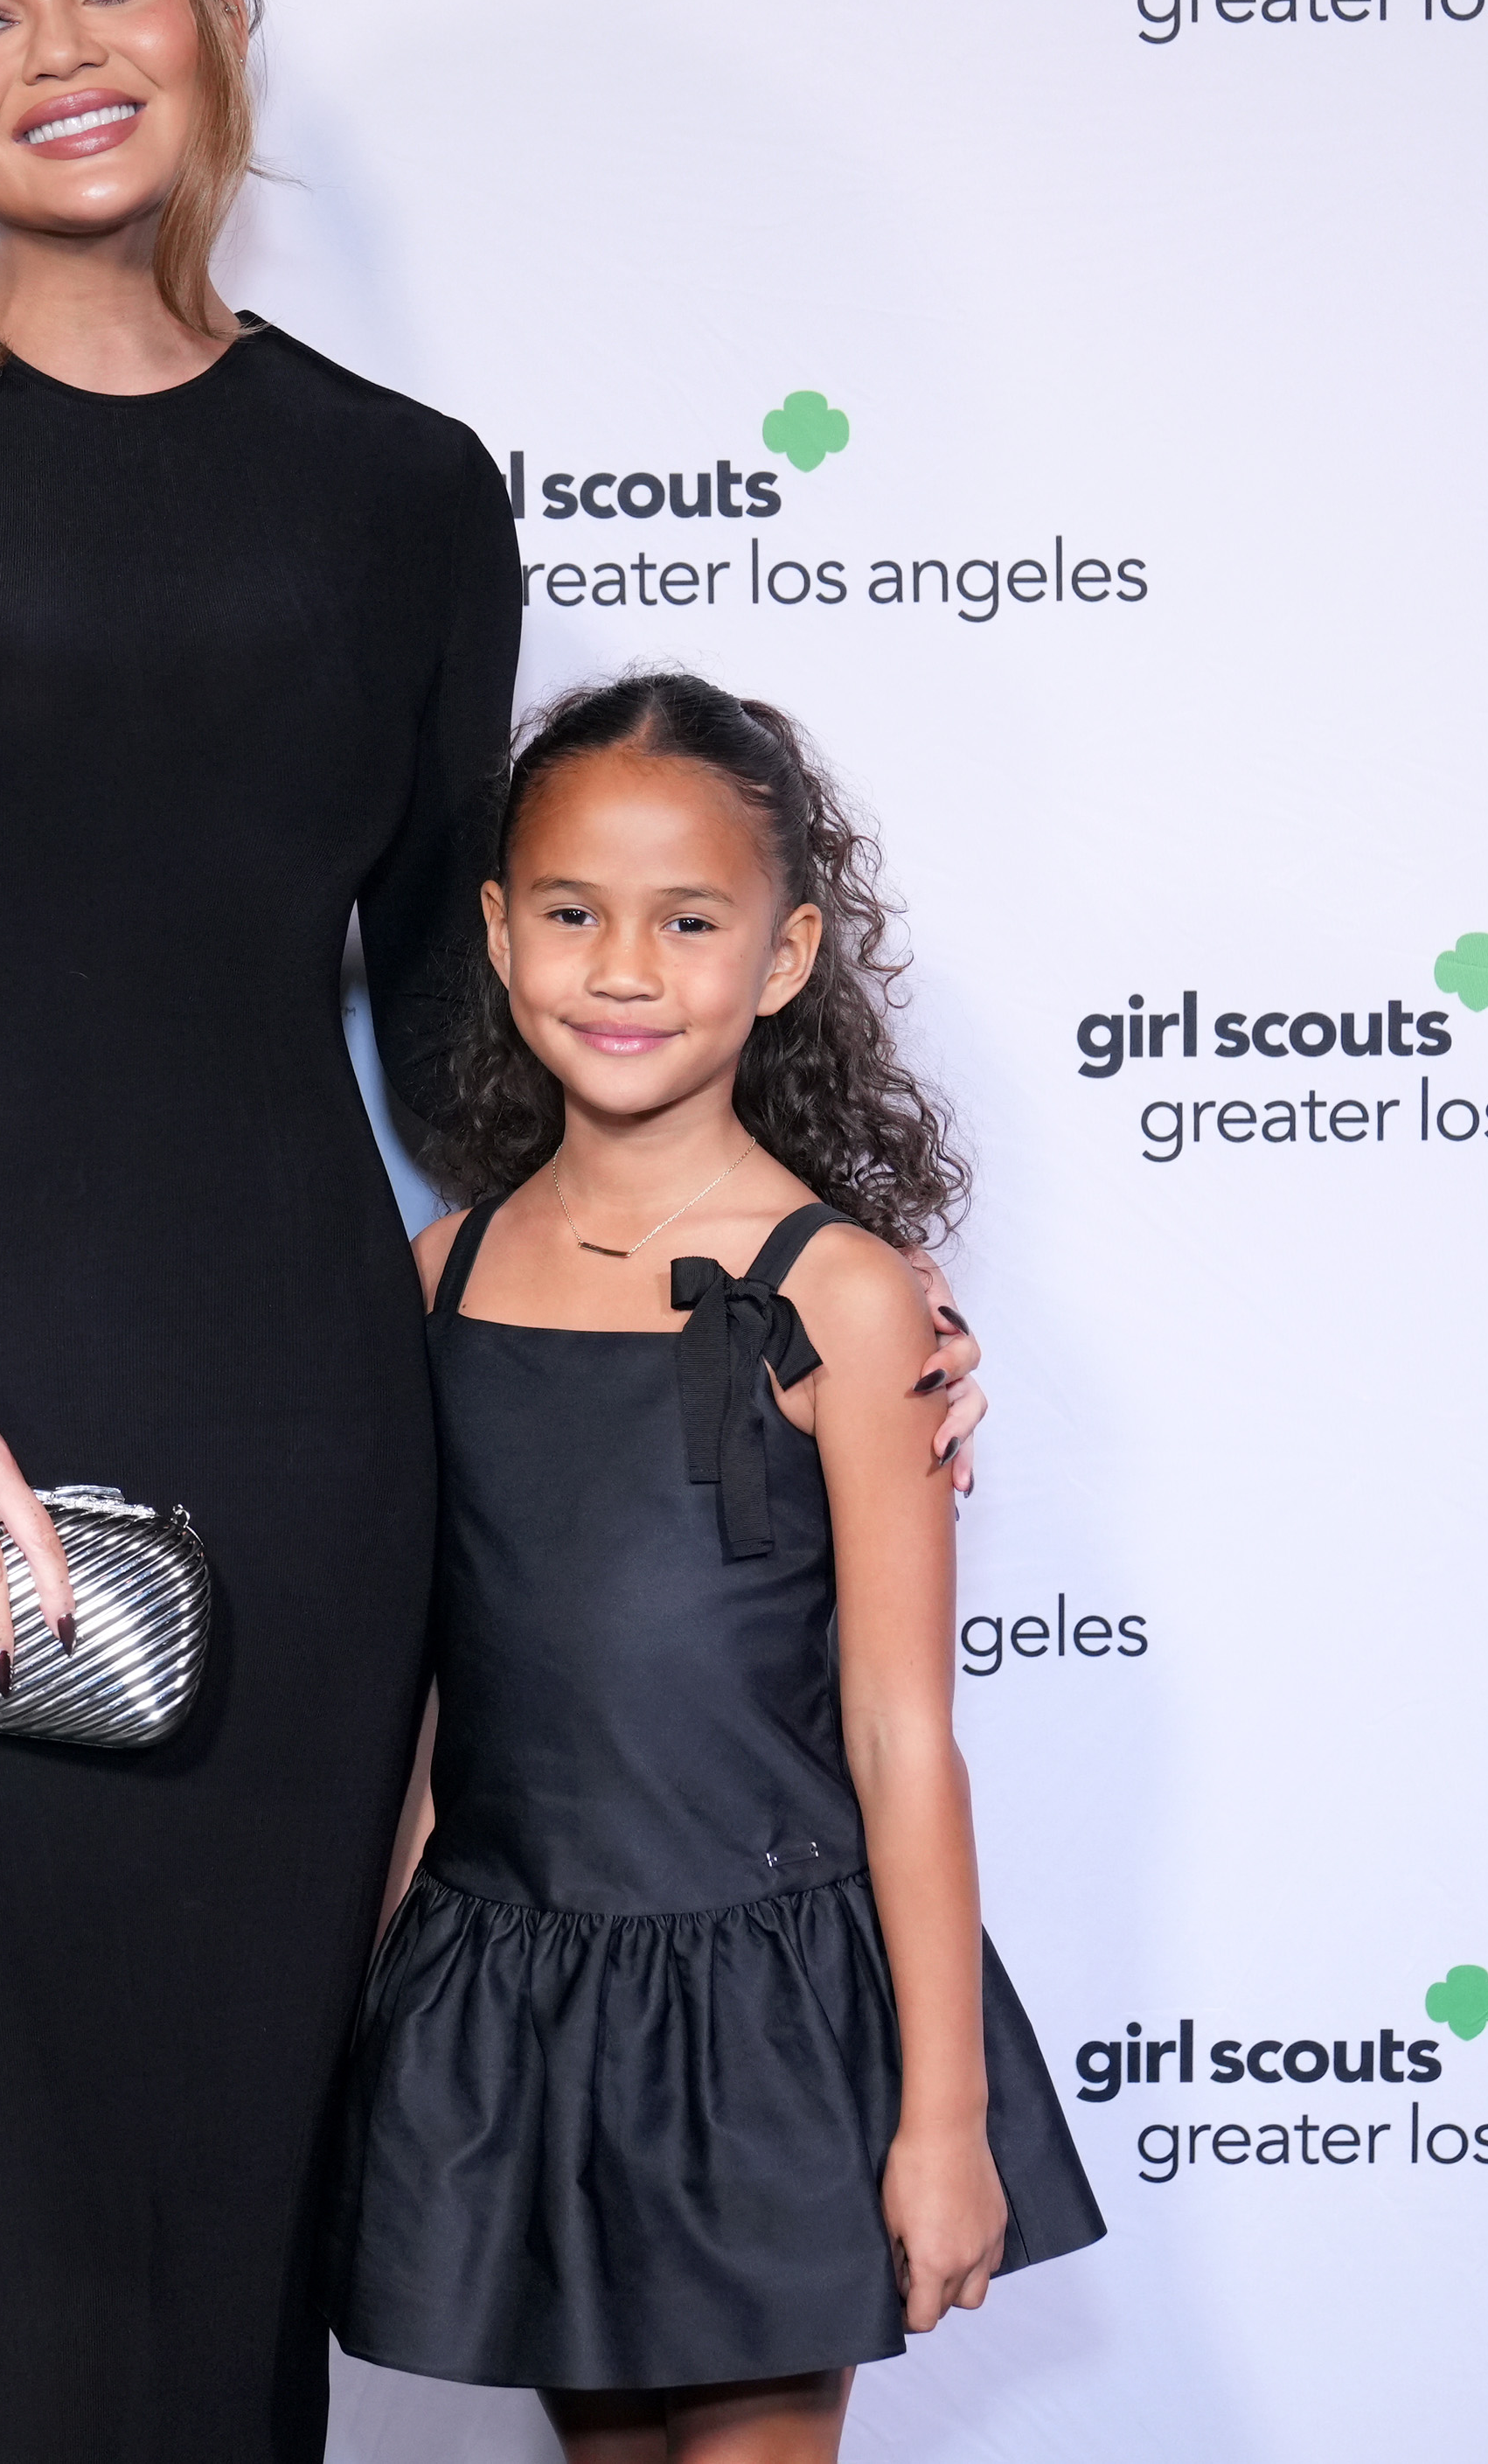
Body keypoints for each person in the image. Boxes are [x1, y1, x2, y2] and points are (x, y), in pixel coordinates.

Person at [0, 0, 987, 2464]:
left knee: (234, 2205)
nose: (56, 50)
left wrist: (812, 1282)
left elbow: (483, 1054)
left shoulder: (402, 492)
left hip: (317, 1445)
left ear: (209, 10)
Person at [334, 674, 1100, 2464]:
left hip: (766, 2018)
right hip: (516, 1999)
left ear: (781, 954)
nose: (623, 967)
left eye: (687, 921)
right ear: (500, 931)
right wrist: (383, 2023)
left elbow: (904, 1732)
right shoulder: (433, 1279)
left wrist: (942, 2114)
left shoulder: (844, 1294)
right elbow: (434, 1699)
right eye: (576, 914)